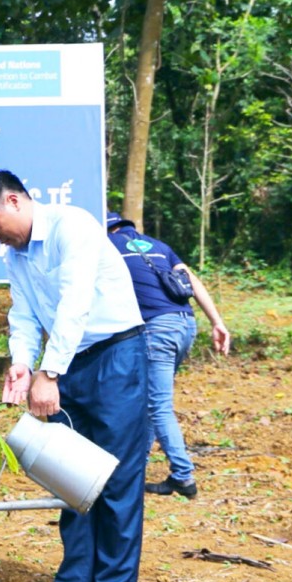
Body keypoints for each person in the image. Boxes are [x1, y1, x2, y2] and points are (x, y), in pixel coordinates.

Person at [0, 170, 148, 582]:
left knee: (117, 476)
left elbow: (75, 302)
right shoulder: (16, 256)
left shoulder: (73, 227)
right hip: (67, 362)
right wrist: (23, 364)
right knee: (69, 478)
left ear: (13, 201)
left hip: (115, 355)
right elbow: (23, 313)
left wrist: (48, 372)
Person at [106, 213, 231, 499]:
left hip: (156, 329)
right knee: (153, 402)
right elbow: (192, 280)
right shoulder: (158, 246)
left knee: (158, 405)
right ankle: (138, 470)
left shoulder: (106, 245)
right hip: (185, 325)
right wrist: (217, 322)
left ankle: (183, 475)